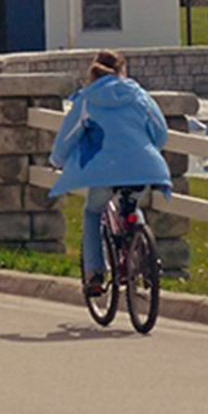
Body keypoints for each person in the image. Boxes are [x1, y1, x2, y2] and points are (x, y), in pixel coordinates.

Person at [49, 49, 173, 298]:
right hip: (143, 167)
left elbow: (69, 136)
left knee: (92, 212)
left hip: (104, 171)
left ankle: (95, 273)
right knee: (132, 205)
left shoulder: (87, 100)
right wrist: (148, 150)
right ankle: (146, 259)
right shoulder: (140, 96)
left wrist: (56, 160)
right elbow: (160, 132)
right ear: (122, 71)